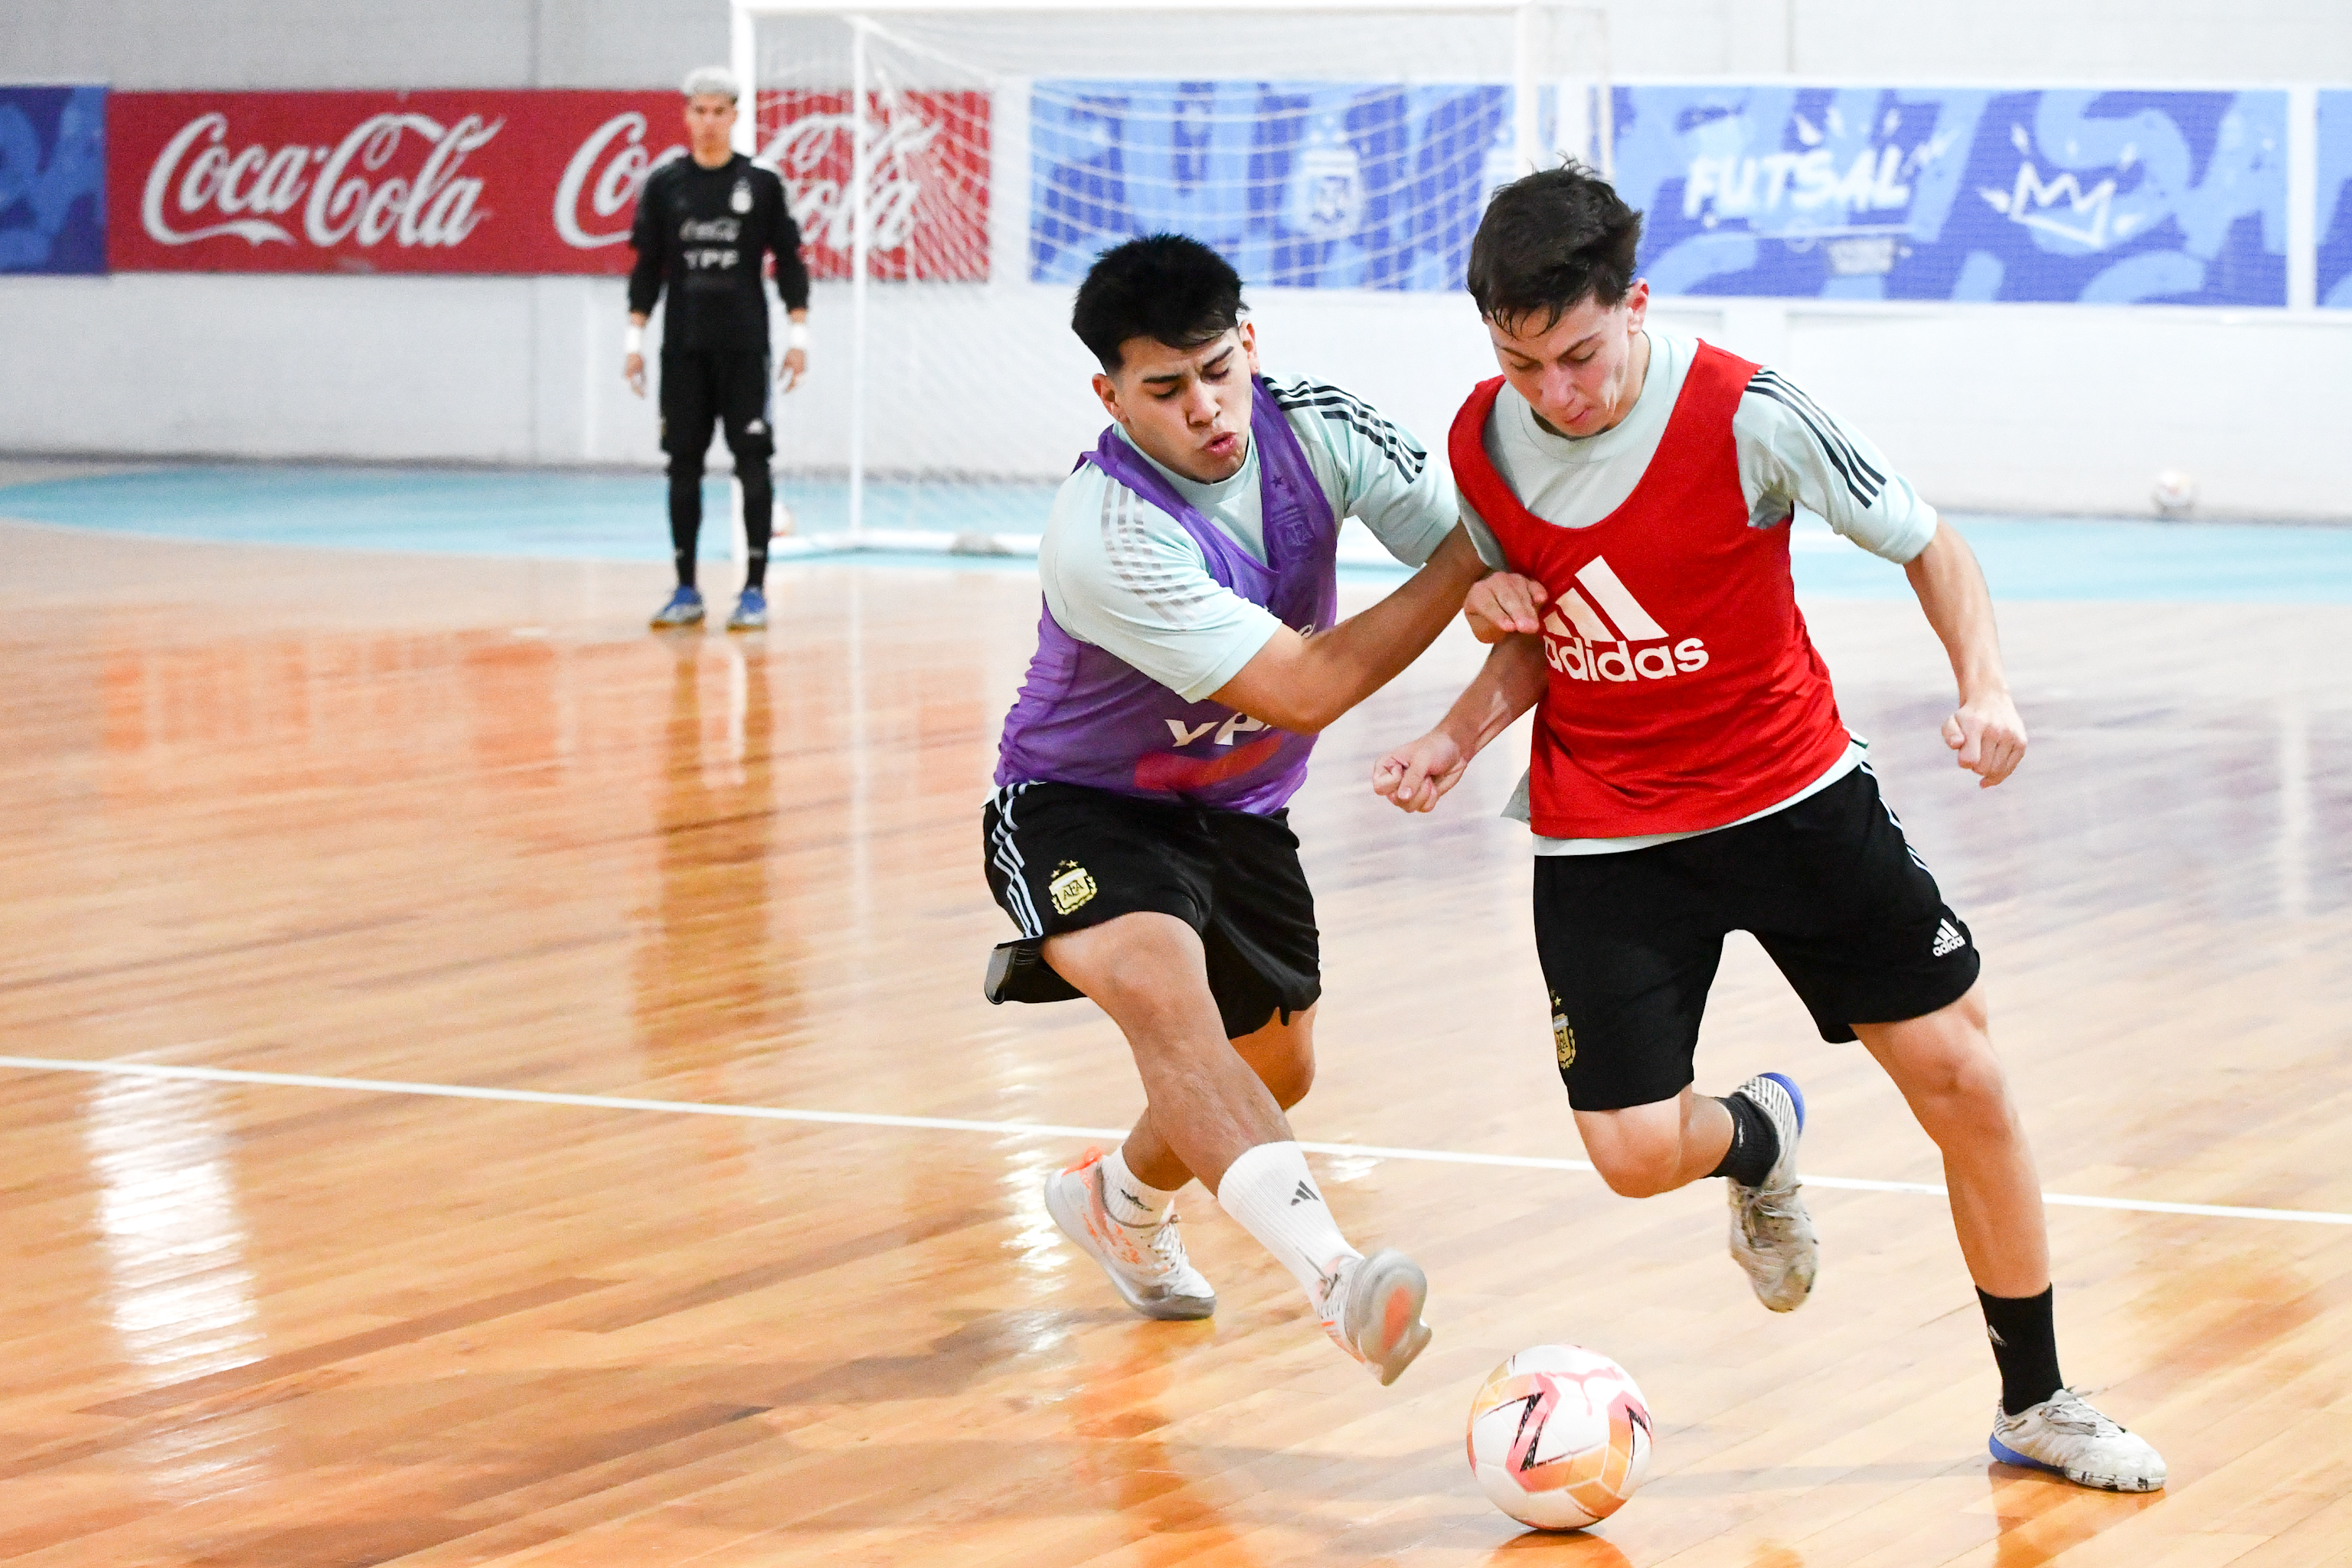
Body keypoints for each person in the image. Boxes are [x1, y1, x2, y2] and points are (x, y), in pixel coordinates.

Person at [1371, 165, 2165, 1491]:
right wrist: (1455, 735)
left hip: (1790, 795)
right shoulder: (1481, 442)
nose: (1556, 393)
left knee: (1963, 1078)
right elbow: (1553, 630)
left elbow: (1927, 540)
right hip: (1607, 825)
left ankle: (2038, 1399)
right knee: (1630, 1154)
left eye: (1577, 355)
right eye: (1521, 363)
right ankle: (1757, 1136)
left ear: (1635, 303)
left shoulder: (1748, 414)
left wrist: (1984, 685)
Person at [983, 234, 1508, 1386]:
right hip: (1082, 805)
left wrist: (1490, 577)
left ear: (1251, 345)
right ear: (1109, 395)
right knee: (1175, 1019)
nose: (1206, 408)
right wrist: (1476, 562)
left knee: (1272, 1065)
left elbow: (1483, 550)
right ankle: (1337, 1277)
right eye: (1165, 390)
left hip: (1244, 809)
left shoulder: (1318, 427)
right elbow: (1310, 686)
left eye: (1220, 370)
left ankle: (1117, 1199)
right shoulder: (1107, 530)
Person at [626, 66, 810, 632]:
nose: (708, 121)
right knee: (682, 465)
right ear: (686, 115)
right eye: (699, 111)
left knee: (753, 461)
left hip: (745, 349)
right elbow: (647, 269)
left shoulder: (761, 183)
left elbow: (790, 263)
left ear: (734, 116)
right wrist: (633, 341)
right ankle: (685, 588)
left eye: (719, 111)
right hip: (682, 350)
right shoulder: (665, 185)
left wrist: (798, 337)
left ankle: (754, 589)